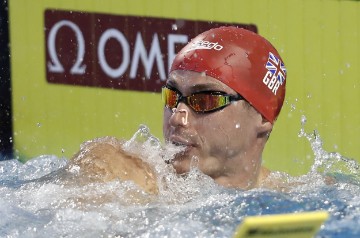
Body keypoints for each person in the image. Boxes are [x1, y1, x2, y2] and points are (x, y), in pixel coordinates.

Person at [69, 26, 287, 193]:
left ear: (261, 117)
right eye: (172, 96)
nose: (176, 118)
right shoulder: (118, 173)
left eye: (205, 100)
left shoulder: (286, 197)